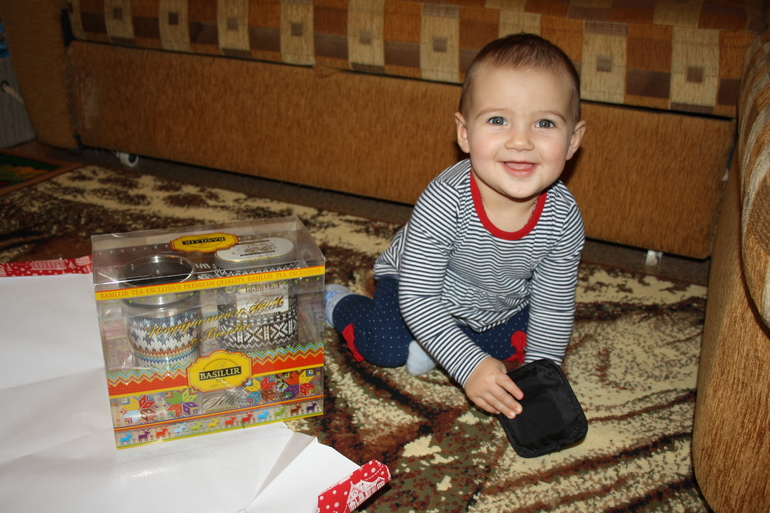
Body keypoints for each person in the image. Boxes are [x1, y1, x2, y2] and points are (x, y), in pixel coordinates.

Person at [324, 33, 587, 420]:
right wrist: (468, 366)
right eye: (498, 120)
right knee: (384, 347)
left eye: (544, 123)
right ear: (464, 133)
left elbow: (553, 305)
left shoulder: (564, 218)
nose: (520, 141)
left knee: (520, 351)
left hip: (499, 301)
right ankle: (338, 303)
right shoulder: (446, 200)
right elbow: (419, 298)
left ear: (573, 140)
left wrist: (541, 383)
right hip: (421, 287)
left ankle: (438, 344)